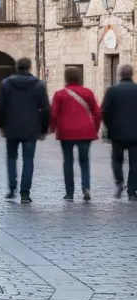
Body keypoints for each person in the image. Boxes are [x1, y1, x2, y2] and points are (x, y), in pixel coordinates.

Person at [0, 57, 50, 203]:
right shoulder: (38, 85)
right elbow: (45, 109)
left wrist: (1, 124)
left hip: (11, 127)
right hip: (31, 128)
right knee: (28, 160)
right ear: (29, 67)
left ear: (17, 67)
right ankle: (25, 193)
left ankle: (12, 189)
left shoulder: (6, 84)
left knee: (11, 158)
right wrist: (43, 128)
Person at [49, 66, 100, 201]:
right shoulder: (87, 92)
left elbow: (53, 113)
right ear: (80, 77)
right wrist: (95, 128)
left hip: (66, 132)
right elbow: (97, 112)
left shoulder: (60, 94)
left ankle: (69, 192)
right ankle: (85, 187)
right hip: (85, 131)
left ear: (66, 77)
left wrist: (53, 128)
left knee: (68, 161)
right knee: (84, 161)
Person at [100, 63, 137, 200]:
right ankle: (132, 190)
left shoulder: (112, 90)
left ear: (120, 74)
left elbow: (104, 111)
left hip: (117, 132)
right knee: (135, 162)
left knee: (117, 159)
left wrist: (110, 126)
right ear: (131, 74)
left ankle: (119, 182)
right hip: (135, 133)